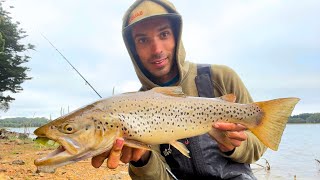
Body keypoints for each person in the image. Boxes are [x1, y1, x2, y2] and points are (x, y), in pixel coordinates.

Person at [92, 0, 267, 179]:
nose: (157, 49)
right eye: (143, 40)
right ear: (133, 49)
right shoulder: (133, 107)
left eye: (164, 34)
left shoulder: (221, 77)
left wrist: (233, 145)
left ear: (177, 36)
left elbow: (259, 146)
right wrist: (142, 160)